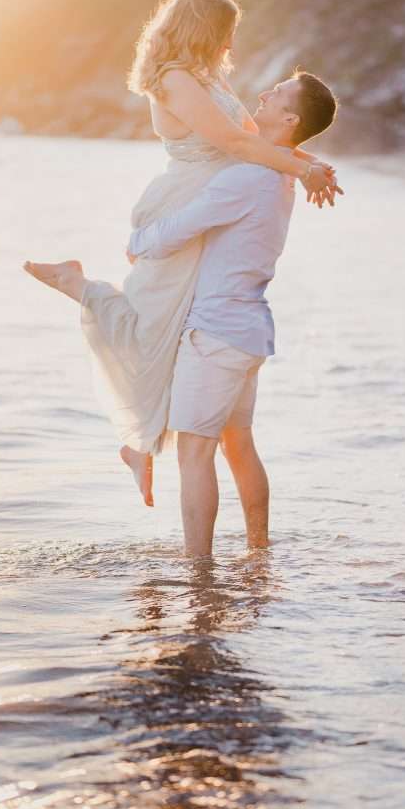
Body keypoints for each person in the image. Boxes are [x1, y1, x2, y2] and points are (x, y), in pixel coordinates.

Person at [23, 0, 340, 507]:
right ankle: (77, 286)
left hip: (210, 207)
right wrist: (305, 170)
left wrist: (310, 164)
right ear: (205, 28)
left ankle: (142, 446)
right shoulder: (173, 79)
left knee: (174, 331)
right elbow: (238, 144)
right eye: (227, 30)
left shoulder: (208, 77)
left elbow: (256, 144)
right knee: (151, 328)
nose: (231, 41)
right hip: (181, 205)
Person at [125, 70, 338, 556]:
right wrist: (313, 164)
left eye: (278, 93)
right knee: (238, 446)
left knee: (195, 453)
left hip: (218, 334)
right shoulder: (280, 171)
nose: (263, 94)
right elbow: (270, 151)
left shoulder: (250, 176)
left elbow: (182, 225)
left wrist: (138, 243)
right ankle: (258, 553)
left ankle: (199, 571)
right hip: (246, 332)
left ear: (290, 118)